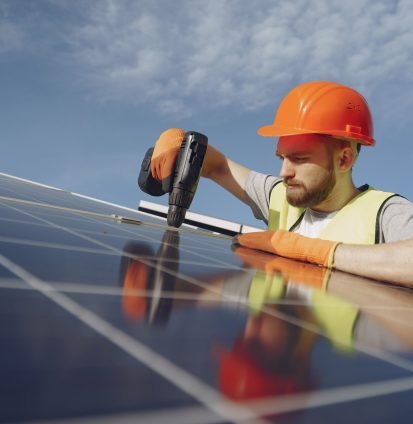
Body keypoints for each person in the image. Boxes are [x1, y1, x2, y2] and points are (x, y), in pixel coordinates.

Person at [149, 81, 413, 285]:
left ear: (343, 160)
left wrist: (316, 252)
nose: (284, 172)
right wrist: (181, 142)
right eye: (282, 157)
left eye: (298, 158)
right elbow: (218, 166)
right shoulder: (281, 197)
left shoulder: (383, 212)